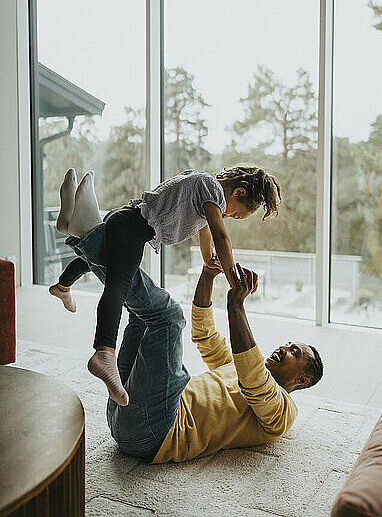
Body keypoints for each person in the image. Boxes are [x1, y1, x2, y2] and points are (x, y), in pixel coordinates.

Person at [59, 219, 323, 463]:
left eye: (293, 352)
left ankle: (94, 244)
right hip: (123, 410)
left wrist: (236, 306)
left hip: (156, 432)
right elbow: (204, 334)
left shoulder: (283, 412)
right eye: (288, 344)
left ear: (302, 379)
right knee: (141, 314)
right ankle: (91, 243)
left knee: (168, 317)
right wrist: (208, 275)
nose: (283, 348)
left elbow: (254, 380)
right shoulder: (235, 368)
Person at [49, 165, 282, 406]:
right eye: (235, 214)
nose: (228, 216)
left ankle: (63, 282)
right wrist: (233, 278)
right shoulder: (212, 190)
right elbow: (220, 235)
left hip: (126, 220)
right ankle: (104, 351)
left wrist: (207, 258)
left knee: (99, 262)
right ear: (239, 192)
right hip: (132, 228)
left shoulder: (202, 184)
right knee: (118, 285)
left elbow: (205, 233)